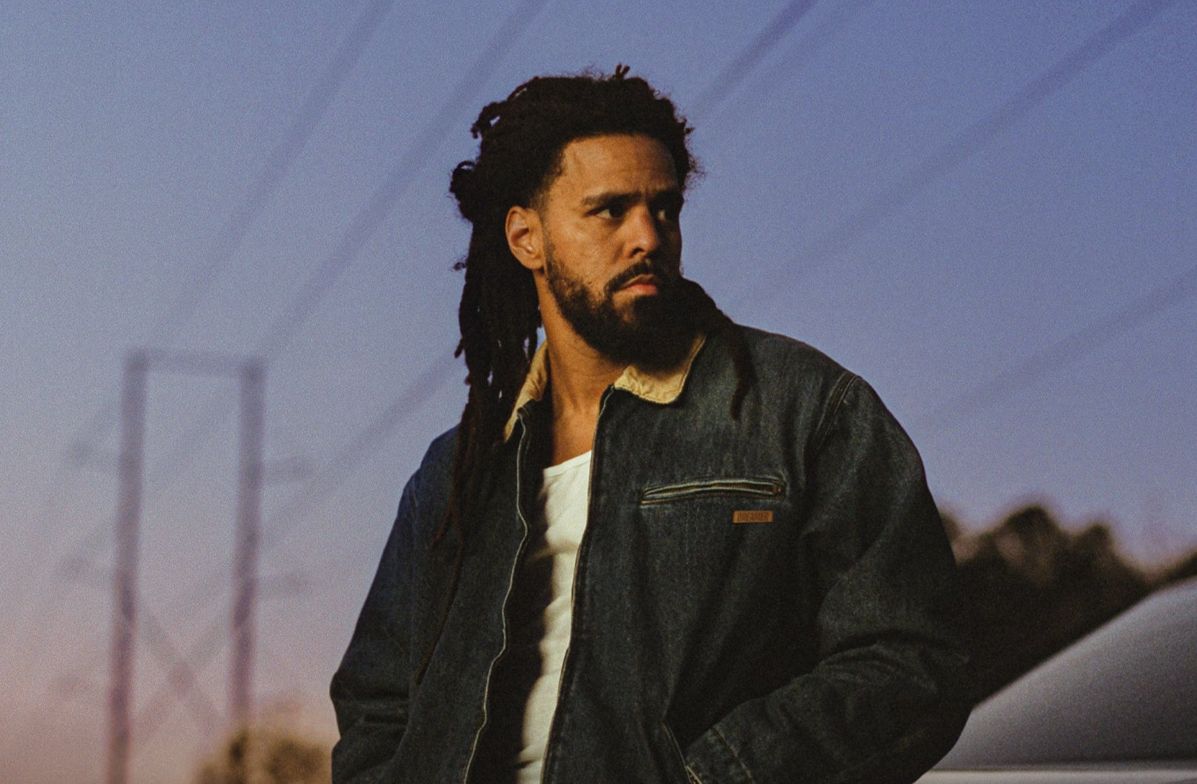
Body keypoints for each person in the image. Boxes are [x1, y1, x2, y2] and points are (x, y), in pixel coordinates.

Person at [330, 66, 971, 784]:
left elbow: (910, 660)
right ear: (527, 238)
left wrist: (712, 777)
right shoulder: (457, 473)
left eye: (664, 209)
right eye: (609, 211)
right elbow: (377, 707)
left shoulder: (801, 410)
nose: (647, 236)